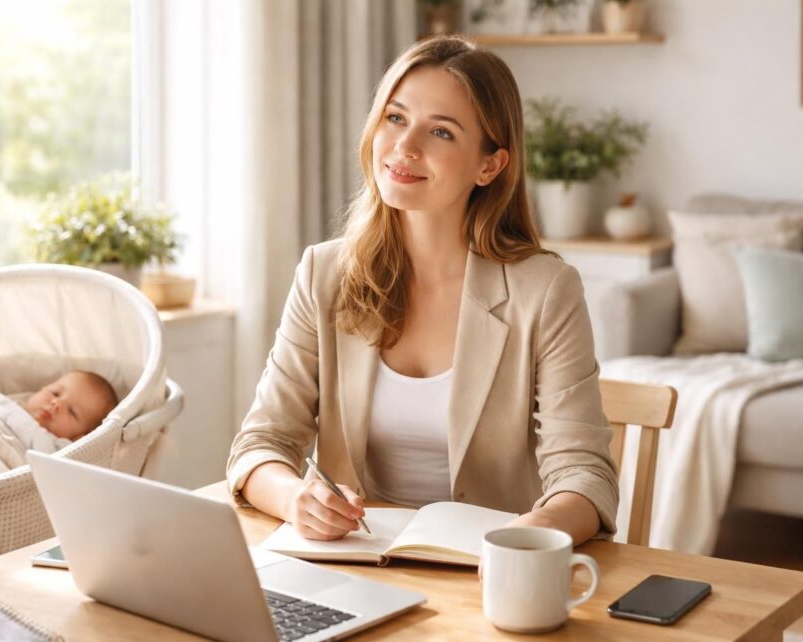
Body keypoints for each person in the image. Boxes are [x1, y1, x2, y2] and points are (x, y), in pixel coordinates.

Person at [227, 36, 618, 545]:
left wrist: (532, 535)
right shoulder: (323, 274)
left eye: (441, 132)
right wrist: (294, 498)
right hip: (353, 564)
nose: (405, 148)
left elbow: (585, 475)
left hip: (486, 575)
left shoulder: (545, 291)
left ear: (490, 165)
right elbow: (262, 442)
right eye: (395, 118)